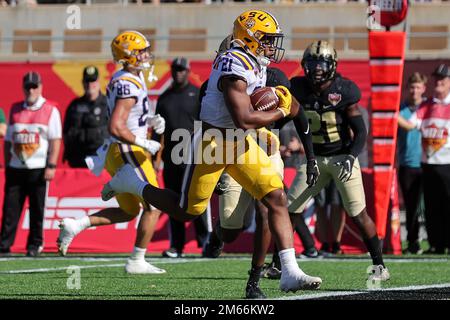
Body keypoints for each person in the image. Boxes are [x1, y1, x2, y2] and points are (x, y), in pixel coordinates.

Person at [103, 10, 322, 294]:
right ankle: (131, 183)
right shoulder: (234, 62)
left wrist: (288, 108)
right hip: (214, 144)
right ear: (250, 38)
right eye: (266, 39)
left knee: (276, 197)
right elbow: (244, 117)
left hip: (240, 142)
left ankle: (286, 272)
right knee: (187, 211)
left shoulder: (255, 61)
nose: (271, 45)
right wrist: (279, 109)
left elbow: (283, 112)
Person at [57, 31, 167, 274]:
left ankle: (76, 225)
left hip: (117, 151)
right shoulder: (127, 82)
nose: (146, 55)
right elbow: (116, 125)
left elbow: (129, 115)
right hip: (127, 149)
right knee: (154, 205)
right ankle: (137, 260)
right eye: (140, 51)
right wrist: (144, 142)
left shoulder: (123, 77)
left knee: (129, 211)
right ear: (128, 56)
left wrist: (150, 119)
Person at [287, 41, 390, 281]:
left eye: (322, 63)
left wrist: (351, 156)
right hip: (313, 158)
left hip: (341, 156)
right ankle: (279, 264)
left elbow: (361, 131)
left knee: (358, 213)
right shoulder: (297, 88)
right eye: (312, 63)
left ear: (332, 65)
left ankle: (379, 265)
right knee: (289, 210)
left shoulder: (344, 89)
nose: (317, 69)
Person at [0, 71, 61, 257]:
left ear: (41, 87)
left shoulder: (50, 109)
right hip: (16, 167)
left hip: (38, 167)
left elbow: (55, 140)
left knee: (37, 209)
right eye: (28, 87)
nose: (31, 90)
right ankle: (4, 244)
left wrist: (51, 165)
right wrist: (7, 163)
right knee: (10, 209)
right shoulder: (16, 108)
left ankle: (35, 244)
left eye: (34, 86)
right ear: (23, 88)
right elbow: (9, 139)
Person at [156, 57, 211, 258]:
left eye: (181, 69)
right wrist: (155, 155)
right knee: (174, 201)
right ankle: (176, 246)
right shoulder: (164, 98)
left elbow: (206, 123)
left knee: (197, 198)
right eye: (175, 69)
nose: (178, 72)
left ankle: (206, 241)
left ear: (188, 71)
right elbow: (157, 131)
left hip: (194, 155)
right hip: (171, 157)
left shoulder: (196, 95)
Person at [398, 64, 450, 255]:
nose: (439, 81)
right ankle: (436, 244)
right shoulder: (426, 105)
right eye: (436, 78)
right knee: (432, 206)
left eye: (442, 79)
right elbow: (411, 125)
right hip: (427, 163)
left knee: (447, 204)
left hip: (447, 163)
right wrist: (389, 114)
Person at [397, 72, 427, 254]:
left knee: (433, 204)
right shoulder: (401, 109)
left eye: (418, 87)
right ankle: (412, 240)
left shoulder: (430, 107)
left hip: (429, 162)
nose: (415, 91)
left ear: (424, 88)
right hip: (408, 163)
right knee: (410, 205)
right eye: (412, 87)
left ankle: (437, 241)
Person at [63, 65, 109, 168]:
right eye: (87, 81)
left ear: (98, 82)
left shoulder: (108, 104)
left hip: (102, 160)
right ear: (83, 83)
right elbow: (66, 132)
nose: (90, 84)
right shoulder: (75, 106)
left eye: (93, 81)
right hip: (79, 160)